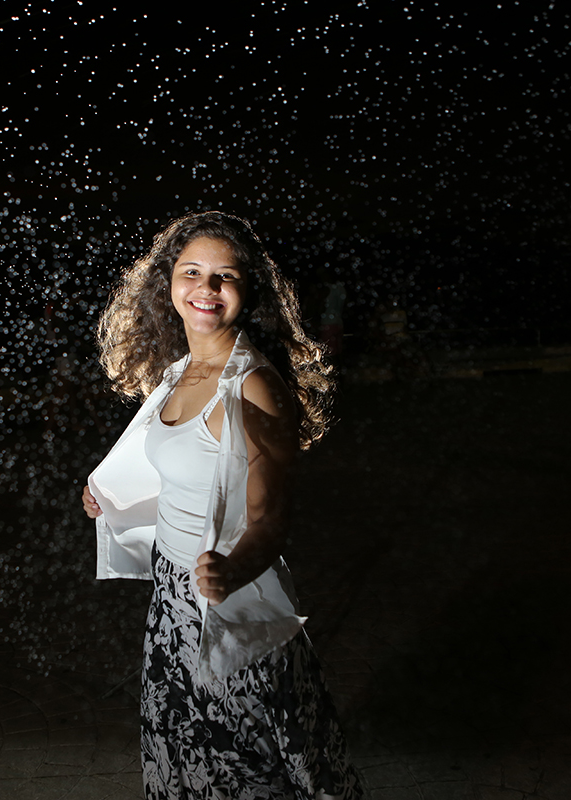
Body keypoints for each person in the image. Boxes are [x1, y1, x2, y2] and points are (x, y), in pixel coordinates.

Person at [81, 211, 363, 799]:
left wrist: (232, 569)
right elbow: (189, 475)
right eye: (192, 273)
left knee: (247, 760)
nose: (206, 289)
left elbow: (270, 519)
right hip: (172, 599)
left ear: (247, 291)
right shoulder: (178, 372)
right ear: (169, 285)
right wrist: (112, 497)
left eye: (224, 276)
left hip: (229, 605)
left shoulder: (252, 385)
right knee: (185, 748)